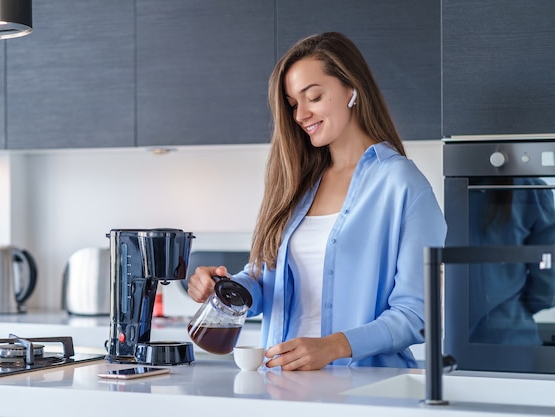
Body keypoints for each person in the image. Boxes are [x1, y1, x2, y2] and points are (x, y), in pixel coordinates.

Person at [187, 32, 447, 370]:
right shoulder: (298, 183)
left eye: (313, 97)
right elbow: (269, 282)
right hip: (284, 382)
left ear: (352, 89)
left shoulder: (401, 184)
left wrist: (334, 346)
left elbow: (417, 315)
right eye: (293, 104)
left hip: (368, 390)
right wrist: (226, 286)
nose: (300, 115)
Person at [468, 178, 555, 345]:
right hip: (512, 337)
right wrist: (511, 310)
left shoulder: (447, 187)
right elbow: (548, 286)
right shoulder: (531, 189)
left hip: (451, 345)